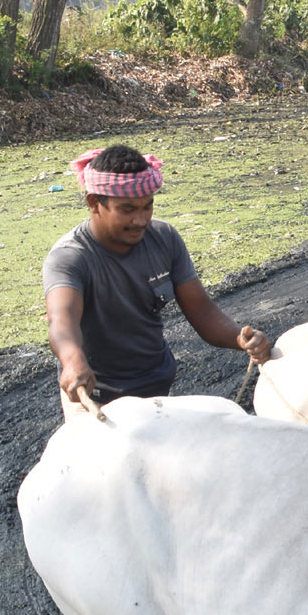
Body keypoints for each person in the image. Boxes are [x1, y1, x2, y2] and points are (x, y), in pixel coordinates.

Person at [43, 144, 271, 416]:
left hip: (155, 390)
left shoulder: (164, 238)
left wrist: (240, 339)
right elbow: (62, 319)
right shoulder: (70, 258)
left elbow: (202, 310)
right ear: (94, 203)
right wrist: (72, 360)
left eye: (147, 206)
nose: (140, 220)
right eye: (126, 209)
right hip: (95, 398)